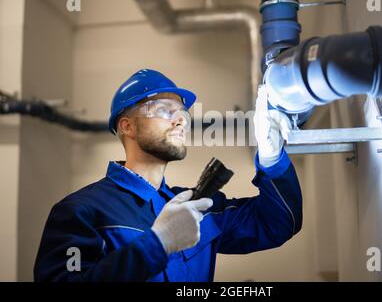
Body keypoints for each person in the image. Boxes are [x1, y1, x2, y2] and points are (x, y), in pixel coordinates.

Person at [34, 69, 303, 282]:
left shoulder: (196, 208)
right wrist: (158, 244)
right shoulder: (80, 212)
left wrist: (272, 158)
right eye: (164, 110)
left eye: (182, 114)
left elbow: (277, 224)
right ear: (127, 126)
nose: (180, 120)